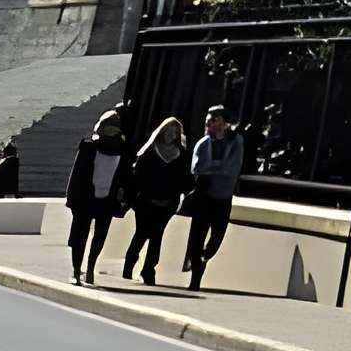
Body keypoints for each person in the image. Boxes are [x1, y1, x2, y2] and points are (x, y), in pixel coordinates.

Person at [118, 117, 187, 285]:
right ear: (162, 131)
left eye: (175, 132)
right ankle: (128, 267)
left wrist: (176, 195)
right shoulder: (149, 151)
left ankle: (149, 270)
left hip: (167, 204)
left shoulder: (181, 154)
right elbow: (138, 177)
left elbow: (185, 179)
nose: (171, 134)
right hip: (146, 202)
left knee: (157, 237)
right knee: (141, 234)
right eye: (169, 130)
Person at [64, 110, 131, 283]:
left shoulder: (122, 149)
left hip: (103, 198)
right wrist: (72, 198)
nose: (111, 131)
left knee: (94, 235)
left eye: (114, 128)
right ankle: (80, 269)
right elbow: (77, 174)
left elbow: (124, 176)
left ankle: (86, 268)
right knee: (84, 235)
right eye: (109, 127)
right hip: (89, 197)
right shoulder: (89, 146)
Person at [183, 107, 245, 289]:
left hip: (223, 197)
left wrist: (213, 168)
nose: (210, 124)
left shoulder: (236, 142)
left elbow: (232, 168)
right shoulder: (203, 144)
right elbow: (197, 169)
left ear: (225, 124)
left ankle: (203, 258)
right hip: (205, 196)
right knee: (196, 238)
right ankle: (195, 279)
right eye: (208, 121)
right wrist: (218, 169)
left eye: (215, 120)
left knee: (216, 239)